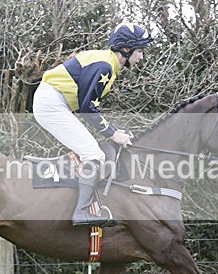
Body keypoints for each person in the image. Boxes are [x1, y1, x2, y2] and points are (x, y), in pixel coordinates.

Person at [33, 22, 154, 227]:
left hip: (54, 101)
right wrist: (112, 134)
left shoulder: (108, 63)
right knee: (94, 155)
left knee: (92, 149)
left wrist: (113, 130)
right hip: (52, 104)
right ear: (126, 49)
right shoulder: (104, 66)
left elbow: (89, 108)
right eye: (140, 50)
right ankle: (81, 213)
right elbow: (87, 109)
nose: (141, 57)